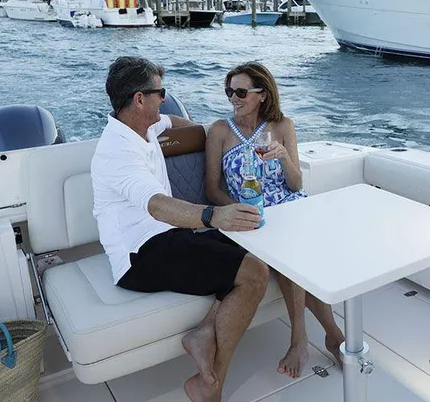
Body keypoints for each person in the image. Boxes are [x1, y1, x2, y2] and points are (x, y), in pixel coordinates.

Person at [91, 56, 269, 402]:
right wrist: (212, 216)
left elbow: (172, 121)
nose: (164, 97)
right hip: (139, 254)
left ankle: (203, 333)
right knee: (255, 273)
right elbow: (156, 204)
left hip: (165, 236)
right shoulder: (117, 152)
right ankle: (210, 386)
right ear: (139, 99)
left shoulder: (140, 126)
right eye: (161, 92)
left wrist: (209, 131)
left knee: (254, 243)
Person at [205, 61, 345, 379]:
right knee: (288, 252)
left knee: (292, 248)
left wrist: (282, 155)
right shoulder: (219, 131)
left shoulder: (283, 126)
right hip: (250, 217)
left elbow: (296, 185)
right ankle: (327, 336)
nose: (233, 98)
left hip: (290, 208)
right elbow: (212, 189)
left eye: (241, 91)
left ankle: (304, 339)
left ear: (263, 95)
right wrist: (238, 211)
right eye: (230, 91)